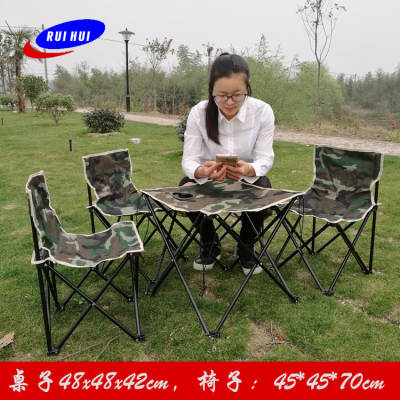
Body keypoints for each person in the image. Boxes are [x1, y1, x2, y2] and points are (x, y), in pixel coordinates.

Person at [180, 53, 274, 275]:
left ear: (247, 88)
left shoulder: (262, 111)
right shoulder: (199, 113)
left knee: (263, 187)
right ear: (211, 91)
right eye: (222, 96)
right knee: (185, 188)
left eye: (237, 95)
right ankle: (210, 243)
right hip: (210, 180)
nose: (230, 102)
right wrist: (202, 171)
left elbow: (265, 158)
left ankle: (246, 246)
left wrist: (248, 169)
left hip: (247, 180)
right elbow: (189, 160)